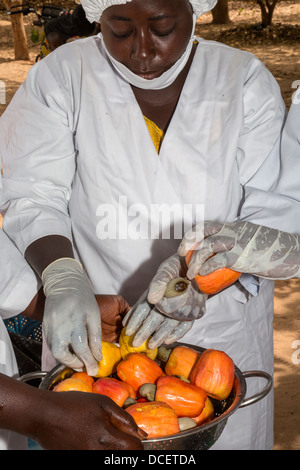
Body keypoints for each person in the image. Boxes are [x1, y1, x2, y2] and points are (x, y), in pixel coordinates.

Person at [0, 0, 295, 450]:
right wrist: (62, 278)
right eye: (120, 29)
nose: (143, 51)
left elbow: (275, 208)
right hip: (97, 339)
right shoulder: (62, 76)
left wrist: (206, 280)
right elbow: (32, 193)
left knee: (215, 428)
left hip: (221, 330)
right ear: (98, 17)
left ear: (192, 11)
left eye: (162, 26)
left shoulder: (241, 78)